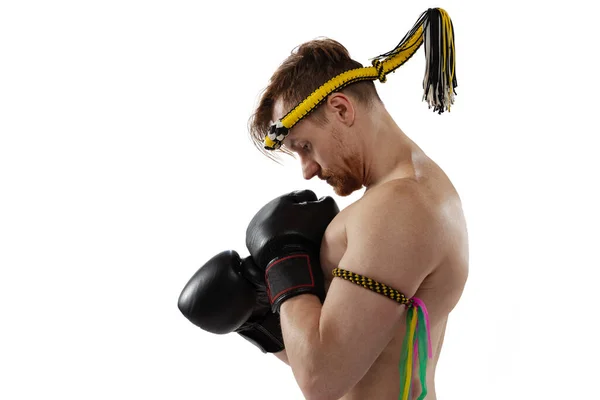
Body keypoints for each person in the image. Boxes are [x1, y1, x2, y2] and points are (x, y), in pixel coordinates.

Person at [178, 8, 467, 400]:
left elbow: (322, 380)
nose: (308, 170)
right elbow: (352, 357)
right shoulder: (406, 194)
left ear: (341, 109)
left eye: (304, 146)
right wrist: (261, 318)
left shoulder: (400, 207)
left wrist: (284, 260)